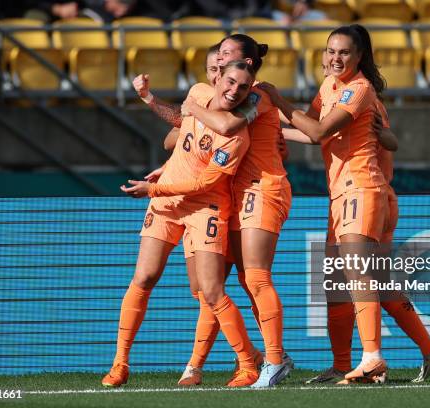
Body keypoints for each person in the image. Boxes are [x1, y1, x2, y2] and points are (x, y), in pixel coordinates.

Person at [101, 60, 260, 388]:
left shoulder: (237, 137)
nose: (233, 90)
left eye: (242, 87)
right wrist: (148, 98)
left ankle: (248, 364)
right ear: (216, 78)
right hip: (167, 202)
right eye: (229, 81)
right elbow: (183, 125)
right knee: (143, 277)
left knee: (210, 291)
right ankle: (120, 364)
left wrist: (153, 188)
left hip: (205, 207)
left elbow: (204, 184)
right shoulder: (198, 94)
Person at [258, 24, 390, 384]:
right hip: (340, 193)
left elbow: (317, 132)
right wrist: (272, 127)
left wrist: (277, 99)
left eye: (344, 52)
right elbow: (309, 128)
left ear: (359, 56)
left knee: (359, 274)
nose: (335, 57)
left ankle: (373, 357)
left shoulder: (359, 90)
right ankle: (344, 363)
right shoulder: (331, 86)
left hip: (361, 187)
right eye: (330, 51)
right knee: (335, 283)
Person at [180, 33, 294, 388]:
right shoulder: (218, 93)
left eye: (228, 53)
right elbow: (181, 134)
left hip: (261, 188)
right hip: (232, 192)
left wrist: (192, 108)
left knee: (255, 278)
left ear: (247, 63)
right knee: (213, 288)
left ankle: (272, 360)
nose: (219, 56)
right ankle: (245, 361)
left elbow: (226, 126)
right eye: (219, 53)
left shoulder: (254, 94)